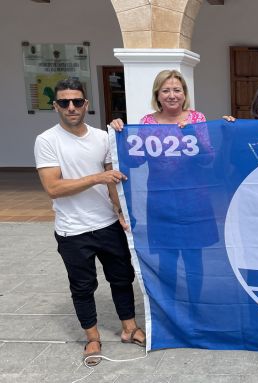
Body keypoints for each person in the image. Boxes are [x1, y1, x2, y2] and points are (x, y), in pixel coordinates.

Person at [34, 78, 145, 367]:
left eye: (77, 101)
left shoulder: (102, 137)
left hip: (107, 223)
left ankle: (129, 328)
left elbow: (113, 181)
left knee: (122, 279)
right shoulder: (47, 141)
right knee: (83, 286)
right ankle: (92, 336)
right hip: (72, 230)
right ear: (55, 106)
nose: (71, 107)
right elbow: (53, 188)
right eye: (64, 102)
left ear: (86, 104)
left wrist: (120, 212)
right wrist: (96, 177)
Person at [110, 69, 218, 314]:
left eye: (177, 90)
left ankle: (195, 306)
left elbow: (208, 159)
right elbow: (135, 161)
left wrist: (190, 132)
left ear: (184, 94)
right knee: (167, 257)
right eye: (166, 90)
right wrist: (121, 135)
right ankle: (171, 308)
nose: (172, 95)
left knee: (193, 257)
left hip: (194, 200)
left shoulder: (197, 119)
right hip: (161, 201)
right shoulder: (148, 123)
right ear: (157, 95)